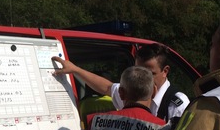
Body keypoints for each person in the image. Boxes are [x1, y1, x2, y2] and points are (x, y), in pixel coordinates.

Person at [52, 43, 190, 123]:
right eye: (138, 70)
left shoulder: (177, 105)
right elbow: (107, 87)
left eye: (150, 74)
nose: (142, 78)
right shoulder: (133, 91)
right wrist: (75, 69)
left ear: (165, 71)